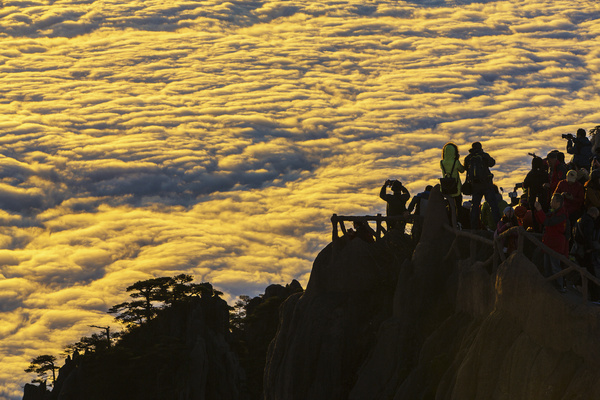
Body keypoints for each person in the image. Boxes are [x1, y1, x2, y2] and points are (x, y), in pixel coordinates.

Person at [534, 194, 569, 292]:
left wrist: (540, 210)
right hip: (549, 244)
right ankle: (551, 287)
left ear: (558, 203)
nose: (550, 202)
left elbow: (548, 222)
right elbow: (544, 220)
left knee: (555, 267)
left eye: (553, 200)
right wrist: (538, 211)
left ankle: (559, 288)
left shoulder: (561, 215)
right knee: (548, 267)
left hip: (556, 244)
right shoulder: (555, 213)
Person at [464, 142, 500, 230]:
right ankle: (499, 226)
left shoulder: (468, 158)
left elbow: (465, 168)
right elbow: (492, 163)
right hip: (487, 185)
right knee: (493, 206)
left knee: (475, 207)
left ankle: (474, 228)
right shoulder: (484, 155)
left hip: (475, 187)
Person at [573, 207, 600, 301]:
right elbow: (588, 236)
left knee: (586, 271)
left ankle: (578, 285)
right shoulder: (589, 222)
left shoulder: (580, 219)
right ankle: (594, 297)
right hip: (585, 251)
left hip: (578, 250)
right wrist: (589, 248)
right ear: (593, 214)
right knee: (591, 273)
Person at [440, 142, 465, 213]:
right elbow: (462, 170)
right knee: (458, 206)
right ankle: (458, 222)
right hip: (456, 188)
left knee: (450, 208)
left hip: (446, 188)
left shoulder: (442, 163)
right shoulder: (456, 162)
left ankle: (450, 221)